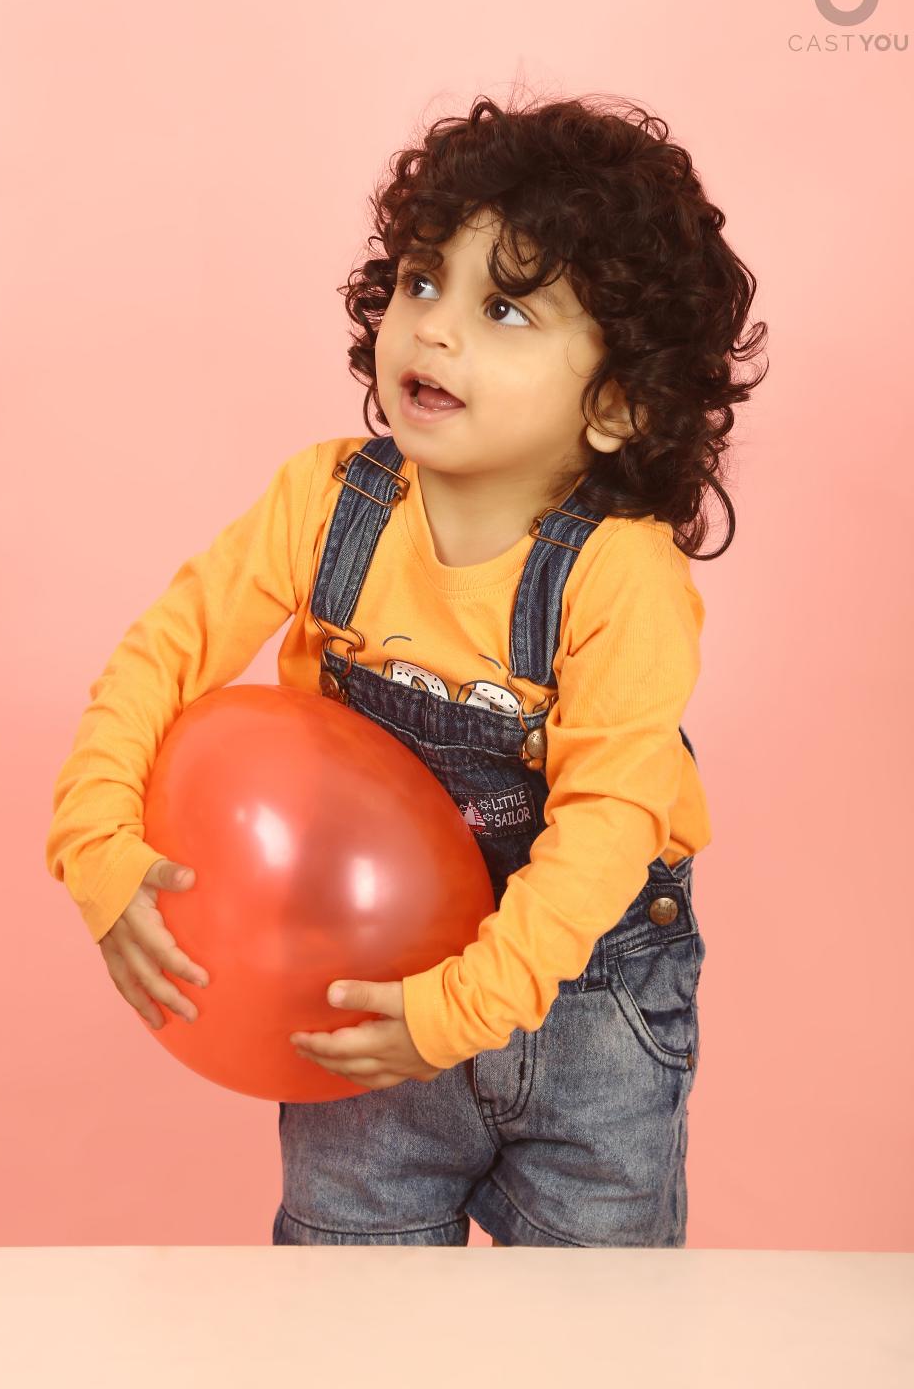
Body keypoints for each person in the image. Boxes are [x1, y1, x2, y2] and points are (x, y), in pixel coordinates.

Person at [45, 90, 767, 1248]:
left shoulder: (619, 575)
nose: (433, 331)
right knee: (348, 1310)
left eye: (505, 309)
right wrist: (96, 844)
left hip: (584, 1011)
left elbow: (607, 825)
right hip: (364, 1004)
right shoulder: (328, 503)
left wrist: (463, 1010)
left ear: (619, 402)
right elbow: (161, 657)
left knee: (602, 1327)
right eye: (424, 282)